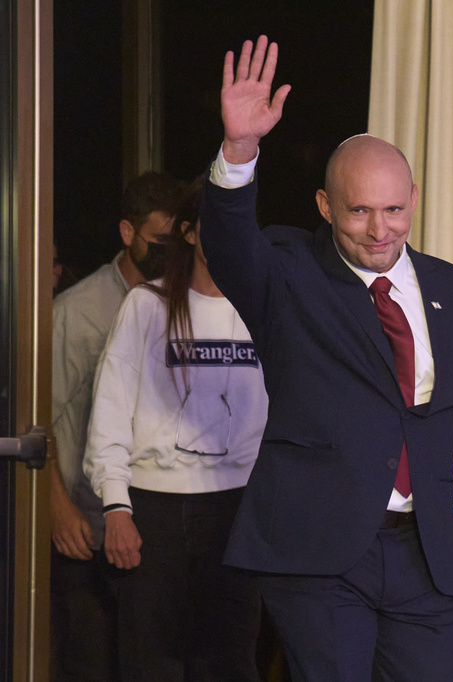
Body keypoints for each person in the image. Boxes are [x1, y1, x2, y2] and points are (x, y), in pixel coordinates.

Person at [196, 36, 453, 681]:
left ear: (415, 199)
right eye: (360, 212)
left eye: (394, 210)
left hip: (427, 554)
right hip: (318, 556)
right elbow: (230, 247)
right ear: (324, 207)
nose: (380, 230)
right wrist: (238, 153)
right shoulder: (289, 276)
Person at [83, 181, 268, 681]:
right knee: (151, 661)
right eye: (216, 226)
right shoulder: (148, 304)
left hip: (236, 507)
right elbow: (111, 407)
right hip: (155, 506)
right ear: (188, 233)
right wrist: (117, 505)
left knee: (230, 660)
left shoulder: (264, 308)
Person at [50, 170, 183, 681]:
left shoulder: (181, 304)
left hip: (154, 531)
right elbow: (40, 420)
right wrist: (58, 511)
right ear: (128, 234)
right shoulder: (77, 313)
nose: (170, 253)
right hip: (87, 529)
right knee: (91, 661)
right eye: (159, 242)